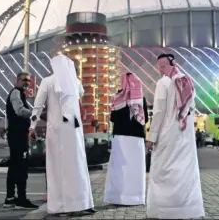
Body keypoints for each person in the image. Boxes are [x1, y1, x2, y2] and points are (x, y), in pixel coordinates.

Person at [30, 54, 96, 217]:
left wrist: (32, 126)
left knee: (57, 167)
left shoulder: (48, 81)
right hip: (73, 125)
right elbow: (80, 94)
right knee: (77, 164)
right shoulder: (75, 82)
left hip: (57, 129)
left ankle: (61, 206)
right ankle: (81, 202)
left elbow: (37, 106)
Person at [145, 53, 205, 219]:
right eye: (158, 65)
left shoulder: (163, 82)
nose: (160, 69)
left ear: (170, 64)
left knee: (162, 171)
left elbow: (158, 112)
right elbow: (190, 108)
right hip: (185, 136)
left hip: (167, 134)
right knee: (184, 171)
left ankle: (164, 210)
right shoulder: (187, 81)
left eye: (162, 65)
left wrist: (152, 137)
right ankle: (187, 209)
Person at [104, 72, 148, 206]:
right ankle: (135, 197)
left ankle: (118, 197)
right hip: (137, 138)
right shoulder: (141, 98)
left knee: (119, 168)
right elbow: (145, 118)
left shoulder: (117, 97)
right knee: (135, 168)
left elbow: (112, 118)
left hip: (120, 137)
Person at [3, 71, 38, 210]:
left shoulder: (19, 94)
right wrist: (36, 114)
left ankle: (10, 198)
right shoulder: (16, 93)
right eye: (24, 80)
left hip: (17, 135)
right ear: (16, 80)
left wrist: (30, 129)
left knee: (14, 166)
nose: (27, 83)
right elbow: (19, 111)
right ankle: (21, 200)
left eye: (28, 81)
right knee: (21, 168)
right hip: (17, 136)